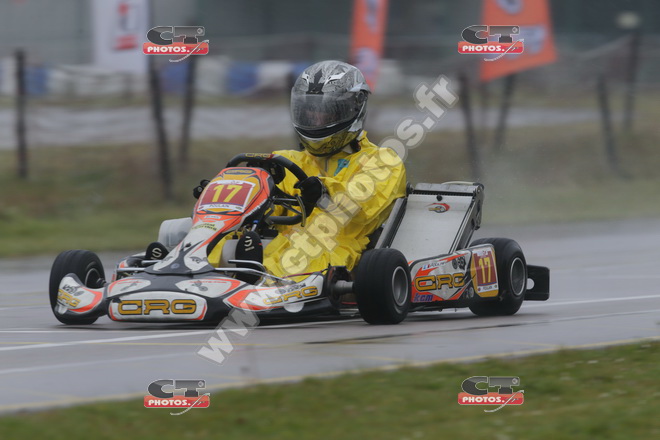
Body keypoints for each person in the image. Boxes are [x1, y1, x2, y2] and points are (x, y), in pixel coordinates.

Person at [206, 60, 407, 277]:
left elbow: (358, 207)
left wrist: (322, 192)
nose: (315, 119)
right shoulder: (287, 160)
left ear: (354, 108)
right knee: (213, 233)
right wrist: (231, 196)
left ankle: (252, 281)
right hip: (279, 245)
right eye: (309, 112)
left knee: (304, 253)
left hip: (333, 250)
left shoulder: (382, 161)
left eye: (327, 112)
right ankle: (194, 271)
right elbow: (269, 215)